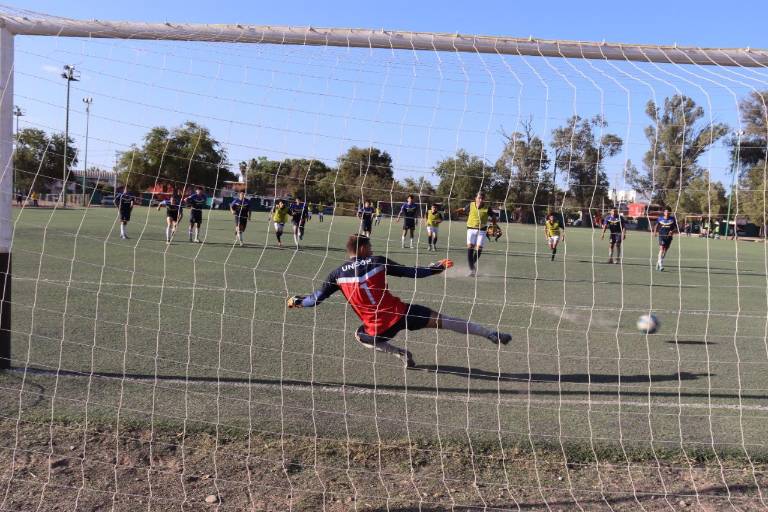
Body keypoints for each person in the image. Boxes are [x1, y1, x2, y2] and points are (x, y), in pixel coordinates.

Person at [287, 234, 511, 368]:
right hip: (402, 313)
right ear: (363, 249)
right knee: (446, 321)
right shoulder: (377, 261)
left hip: (377, 328)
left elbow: (315, 300)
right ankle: (490, 333)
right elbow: (411, 272)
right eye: (370, 247)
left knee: (359, 335)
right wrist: (436, 268)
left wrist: (297, 300)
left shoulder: (336, 274)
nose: (372, 249)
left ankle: (401, 354)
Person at [456, 192, 498, 277]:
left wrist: (494, 225)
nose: (480, 199)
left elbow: (493, 216)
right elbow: (463, 209)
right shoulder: (471, 205)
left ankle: (471, 266)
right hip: (470, 229)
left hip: (481, 231)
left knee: (479, 249)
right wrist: (456, 211)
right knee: (470, 247)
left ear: (484, 199)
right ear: (475, 198)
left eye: (482, 198)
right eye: (479, 198)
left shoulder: (487, 208)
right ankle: (472, 269)